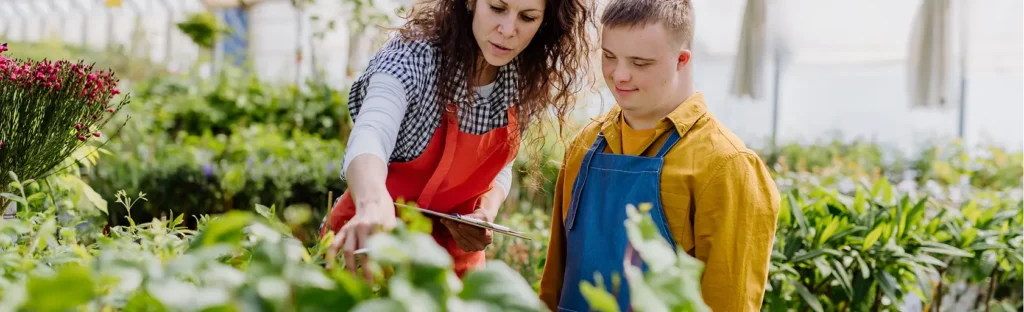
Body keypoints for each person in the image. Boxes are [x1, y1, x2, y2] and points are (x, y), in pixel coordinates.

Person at [320, 0, 595, 280]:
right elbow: (372, 131)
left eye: (527, 17)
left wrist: (485, 213)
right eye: (497, 8)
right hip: (369, 247)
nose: (509, 29)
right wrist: (372, 202)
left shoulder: (523, 76)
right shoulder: (413, 55)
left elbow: (502, 166)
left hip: (451, 271)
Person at [538, 0, 781, 311]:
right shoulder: (585, 144)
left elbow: (729, 302)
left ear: (681, 60)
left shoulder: (727, 166)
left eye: (640, 63)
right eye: (609, 57)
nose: (619, 75)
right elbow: (552, 287)